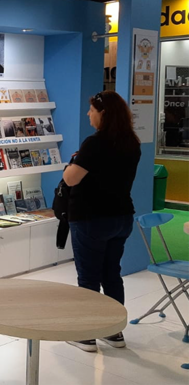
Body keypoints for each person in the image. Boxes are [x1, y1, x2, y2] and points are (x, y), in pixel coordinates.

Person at [63, 91, 141, 353]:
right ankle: (113, 330)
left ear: (103, 113)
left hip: (91, 218)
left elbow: (72, 179)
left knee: (88, 277)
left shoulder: (94, 144)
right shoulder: (132, 142)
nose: (88, 114)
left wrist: (71, 163)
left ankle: (86, 334)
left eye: (92, 110)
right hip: (121, 218)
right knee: (111, 274)